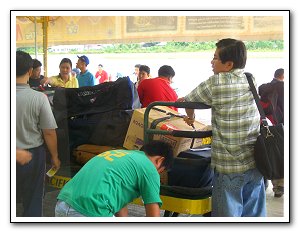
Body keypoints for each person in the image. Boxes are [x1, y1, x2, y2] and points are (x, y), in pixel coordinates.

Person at [177, 38, 266, 217]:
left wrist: (191, 116)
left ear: (228, 64)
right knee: (254, 216)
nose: (212, 61)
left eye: (215, 58)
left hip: (229, 166)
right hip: (255, 162)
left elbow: (188, 100)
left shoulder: (215, 82)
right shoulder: (250, 78)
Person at [55, 140, 173, 217]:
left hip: (63, 204)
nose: (157, 174)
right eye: (160, 171)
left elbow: (118, 201)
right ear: (160, 160)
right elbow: (153, 215)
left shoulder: (120, 155)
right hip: (91, 211)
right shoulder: (149, 168)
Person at [16, 51, 61, 217]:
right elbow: (49, 132)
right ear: (29, 71)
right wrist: (55, 157)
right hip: (33, 156)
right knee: (33, 200)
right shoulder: (39, 98)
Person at [259, 68, 284, 198]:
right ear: (283, 76)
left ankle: (265, 181)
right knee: (281, 155)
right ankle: (279, 186)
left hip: (265, 126)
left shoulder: (263, 87)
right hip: (281, 126)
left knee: (270, 154)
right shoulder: (283, 87)